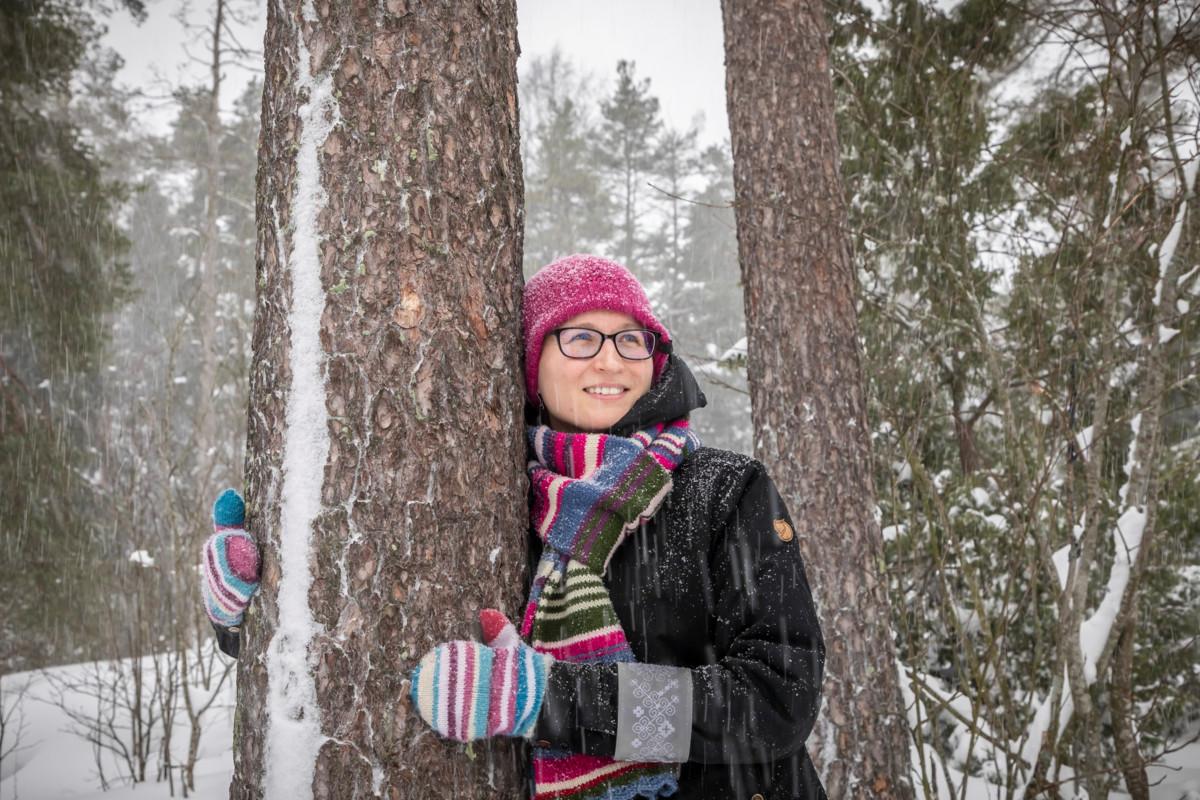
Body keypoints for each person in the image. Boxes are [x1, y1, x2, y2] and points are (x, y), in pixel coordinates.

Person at [202, 254, 826, 800]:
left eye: (631, 339)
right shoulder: (496, 499)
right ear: (533, 364)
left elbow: (776, 699)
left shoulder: (725, 491)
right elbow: (362, 646)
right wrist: (252, 618)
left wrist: (550, 699)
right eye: (580, 338)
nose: (611, 359)